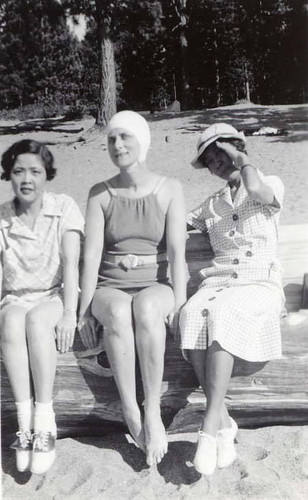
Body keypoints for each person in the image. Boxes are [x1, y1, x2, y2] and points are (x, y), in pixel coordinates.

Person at [78, 110, 187, 467]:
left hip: (155, 285)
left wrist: (181, 304)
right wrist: (81, 311)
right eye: (111, 139)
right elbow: (91, 257)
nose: (117, 145)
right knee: (117, 310)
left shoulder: (170, 189)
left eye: (125, 137)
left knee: (147, 308)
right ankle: (129, 407)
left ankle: (151, 408)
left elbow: (176, 254)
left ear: (143, 142)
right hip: (110, 286)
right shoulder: (100, 194)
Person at [179, 123, 284, 475]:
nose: (217, 164)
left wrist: (242, 157)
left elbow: (254, 187)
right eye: (210, 161)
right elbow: (176, 223)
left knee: (220, 314)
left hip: (259, 284)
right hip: (219, 284)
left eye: (220, 155)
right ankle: (223, 421)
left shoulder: (268, 183)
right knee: (192, 313)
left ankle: (208, 430)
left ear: (236, 148)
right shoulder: (211, 205)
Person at [0, 140, 84, 474]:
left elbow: (73, 265)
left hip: (54, 295)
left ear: (47, 174)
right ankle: (24, 423)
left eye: (35, 171)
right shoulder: (2, 217)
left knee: (36, 322)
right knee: (11, 323)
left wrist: (69, 313)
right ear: (9, 174)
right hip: (15, 297)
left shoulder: (64, 207)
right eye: (19, 171)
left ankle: (45, 421)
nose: (27, 179)